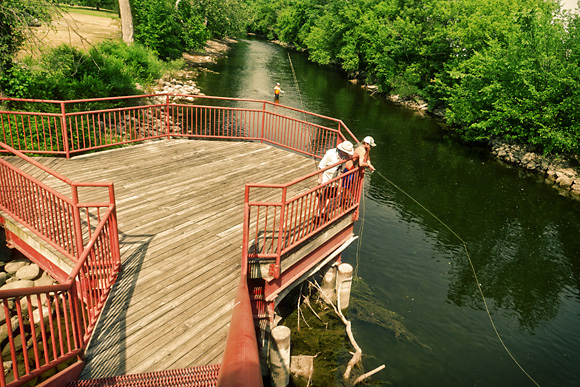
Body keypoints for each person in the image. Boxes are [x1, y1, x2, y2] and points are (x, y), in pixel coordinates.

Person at [316, 141, 354, 220]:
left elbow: (352, 158)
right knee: (321, 198)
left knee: (329, 197)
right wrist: (320, 178)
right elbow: (321, 166)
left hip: (335, 181)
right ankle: (317, 215)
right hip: (326, 178)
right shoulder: (330, 153)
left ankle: (323, 212)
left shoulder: (345, 156)